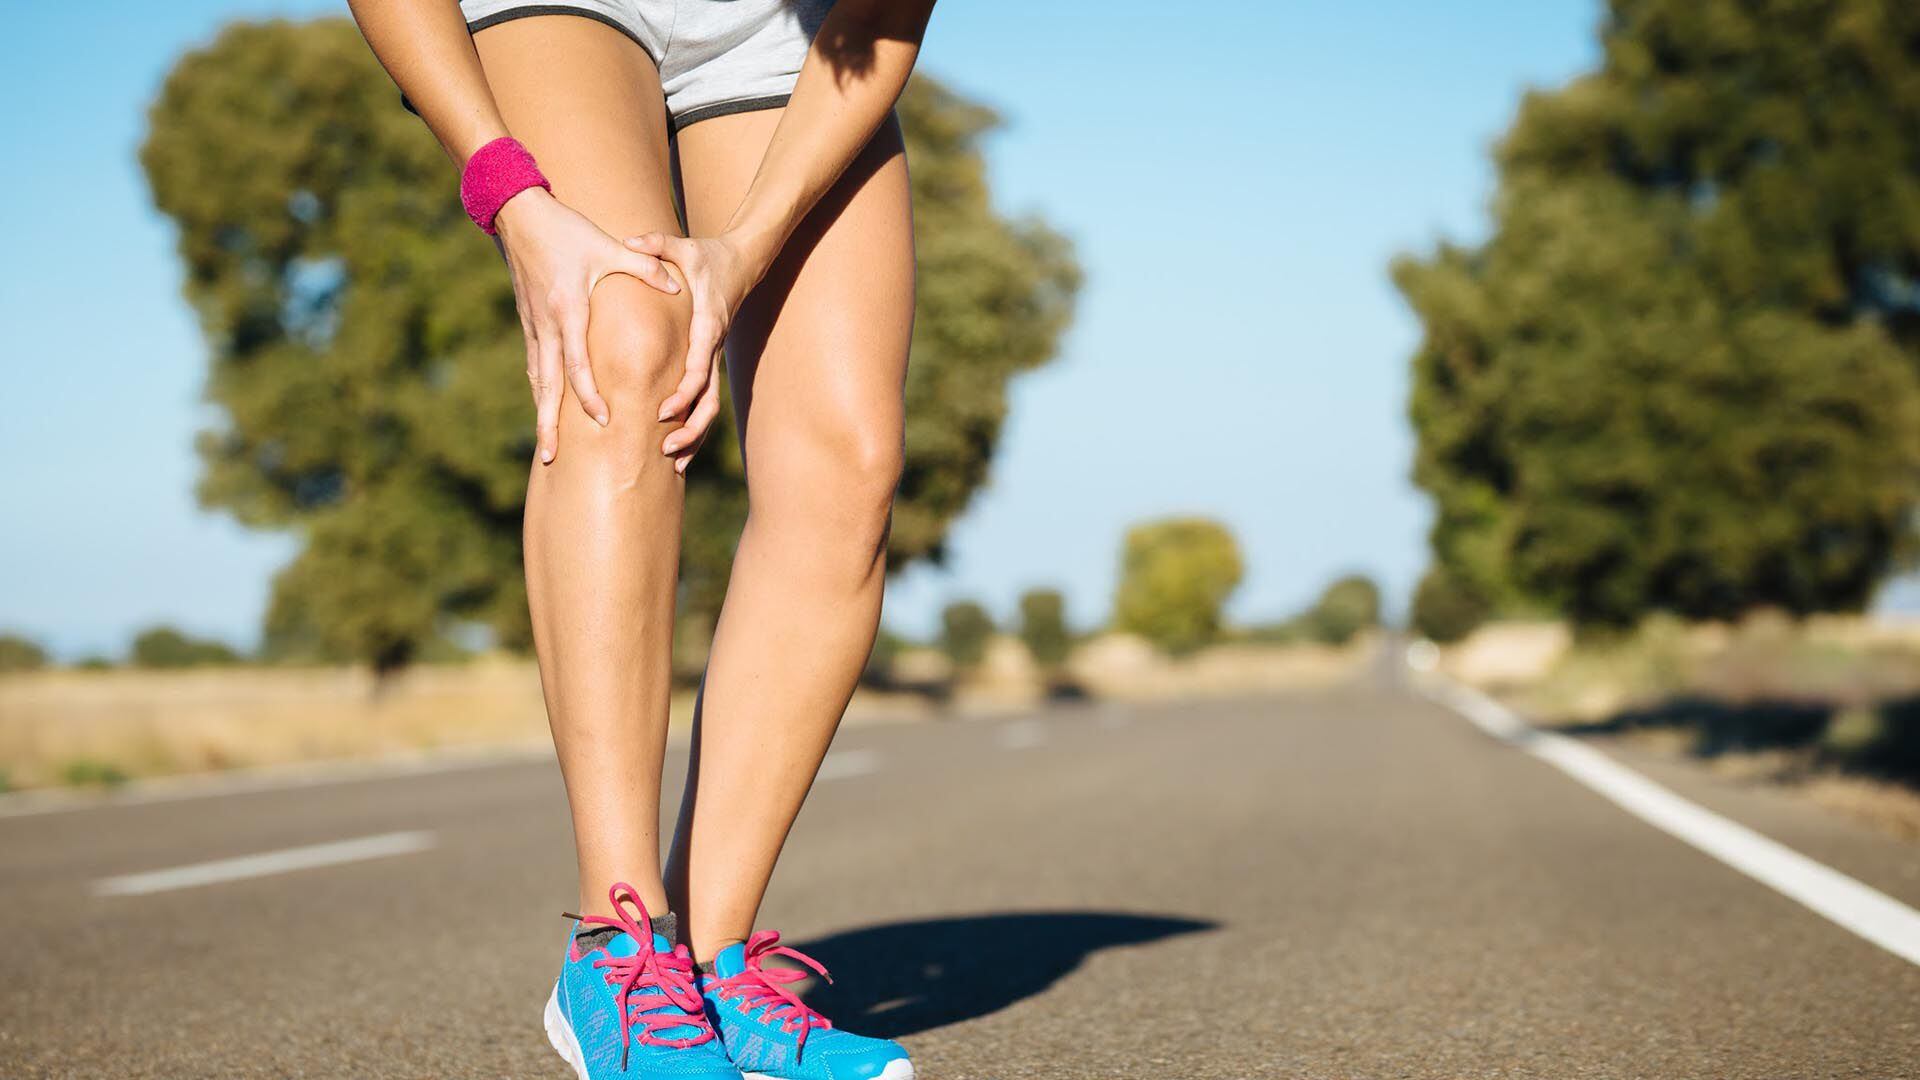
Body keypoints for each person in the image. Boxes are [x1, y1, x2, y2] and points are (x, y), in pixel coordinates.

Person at [345, 1, 934, 1077]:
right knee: (623, 333)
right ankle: (615, 946)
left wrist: (741, 254)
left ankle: (711, 968)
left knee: (848, 460)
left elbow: (888, 16)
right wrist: (506, 192)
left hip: (784, 27)